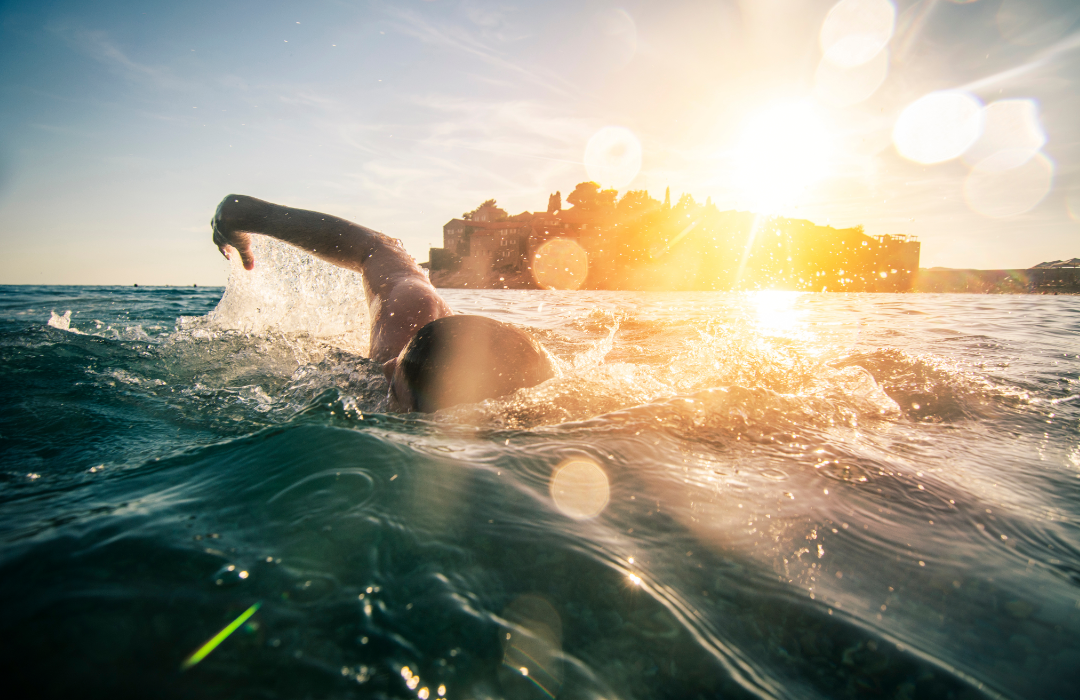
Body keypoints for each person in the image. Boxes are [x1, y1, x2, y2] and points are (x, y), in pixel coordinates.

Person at [211, 194, 555, 412]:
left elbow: (374, 249)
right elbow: (376, 248)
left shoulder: (377, 378)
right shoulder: (411, 314)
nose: (388, 366)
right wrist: (244, 214)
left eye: (393, 383)